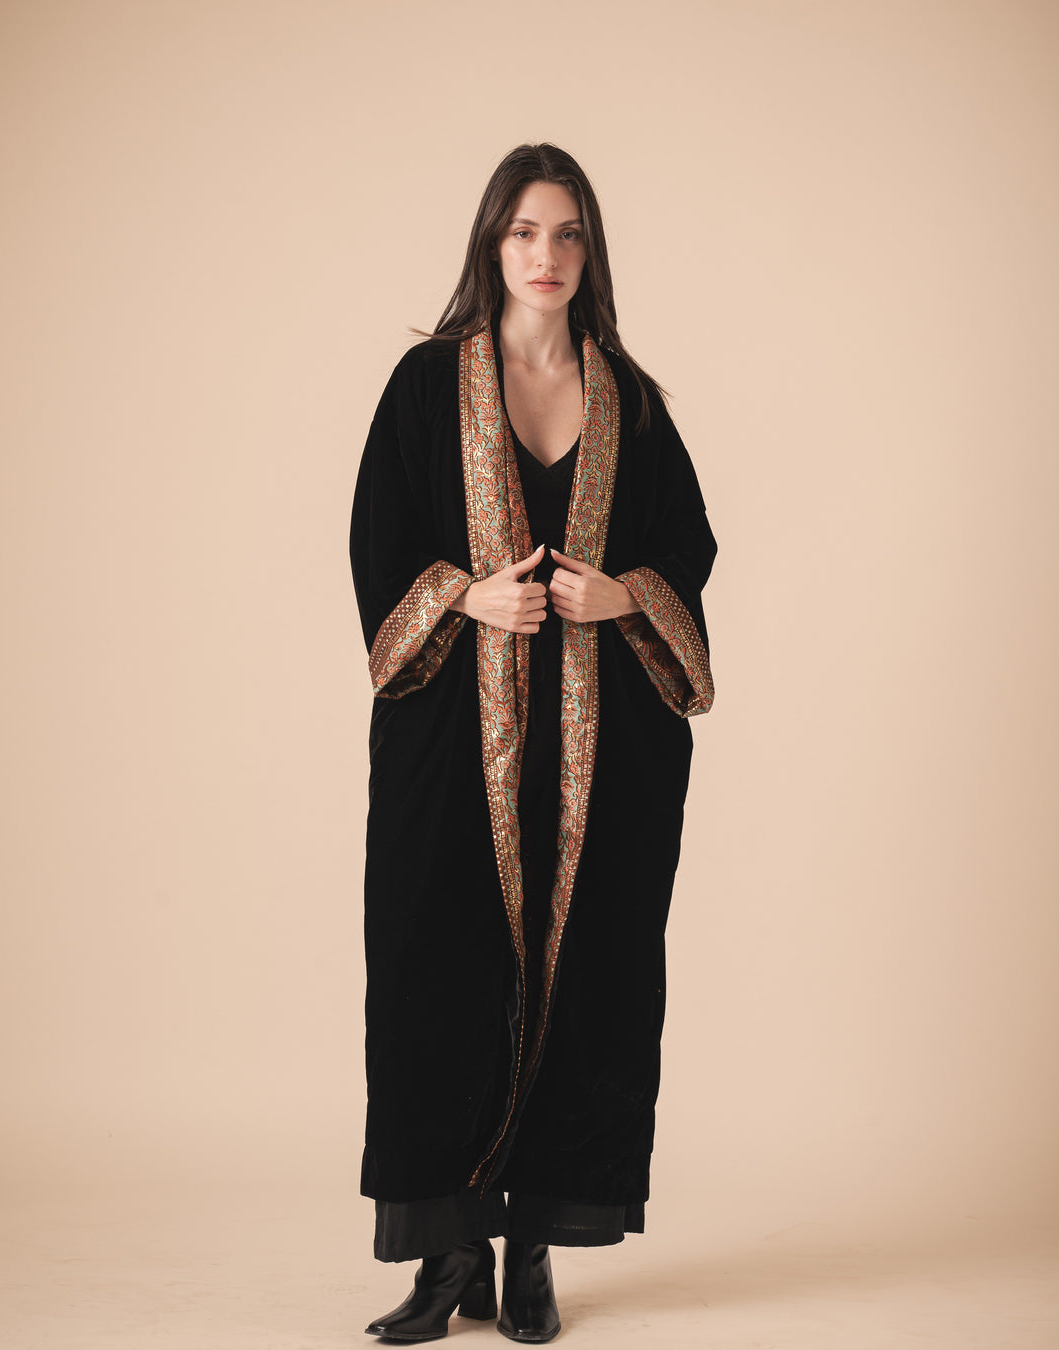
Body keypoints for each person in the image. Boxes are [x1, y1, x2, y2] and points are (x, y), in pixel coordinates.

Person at [349, 142, 716, 1343]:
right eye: (523, 231)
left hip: (603, 753)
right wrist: (466, 597)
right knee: (434, 972)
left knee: (591, 978)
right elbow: (378, 543)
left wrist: (625, 597)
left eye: (566, 233)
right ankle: (449, 1254)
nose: (545, 255)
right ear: (491, 243)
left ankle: (536, 1253)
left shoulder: (630, 402)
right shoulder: (426, 385)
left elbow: (687, 550)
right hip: (451, 742)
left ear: (589, 250)